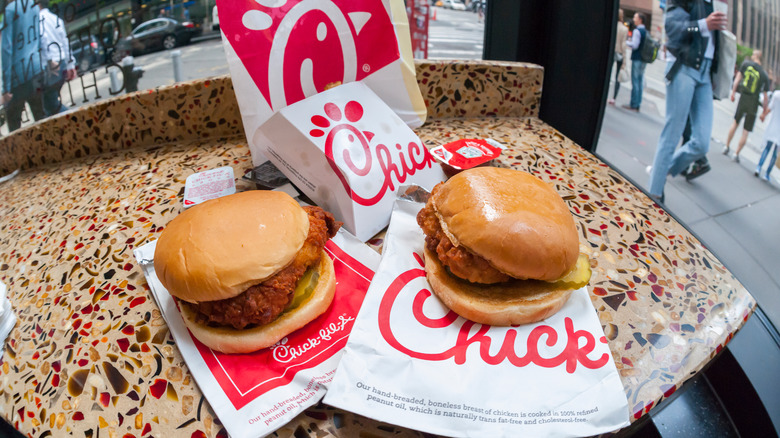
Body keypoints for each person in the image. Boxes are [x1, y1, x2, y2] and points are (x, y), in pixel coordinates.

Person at [647, 0, 727, 203]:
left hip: (705, 73)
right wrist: (703, 24)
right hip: (683, 66)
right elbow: (673, 28)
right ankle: (654, 194)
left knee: (701, 143)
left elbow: (715, 42)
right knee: (672, 133)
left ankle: (661, 170)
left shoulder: (716, 4)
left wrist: (715, 72)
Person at [2, 0, 45, 132]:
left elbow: (7, 49)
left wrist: (6, 87)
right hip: (37, 68)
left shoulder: (10, 10)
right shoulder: (33, 4)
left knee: (14, 126)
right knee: (43, 119)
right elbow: (39, 37)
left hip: (18, 76)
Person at [723, 50, 769, 163]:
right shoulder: (763, 74)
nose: (752, 56)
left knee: (735, 123)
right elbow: (765, 96)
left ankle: (726, 146)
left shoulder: (746, 64)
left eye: (753, 54)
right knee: (746, 131)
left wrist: (733, 92)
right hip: (753, 103)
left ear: (756, 56)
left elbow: (737, 79)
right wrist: (764, 112)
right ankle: (736, 153)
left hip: (743, 98)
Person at [39, 0, 77, 117]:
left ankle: (74, 118)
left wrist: (51, 61)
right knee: (50, 106)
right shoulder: (55, 19)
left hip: (51, 66)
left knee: (50, 105)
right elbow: (65, 42)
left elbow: (43, 40)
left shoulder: (37, 20)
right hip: (62, 63)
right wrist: (71, 65)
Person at [623, 12, 648, 112]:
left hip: (637, 57)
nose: (633, 19)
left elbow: (635, 45)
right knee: (640, 81)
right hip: (643, 59)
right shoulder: (645, 31)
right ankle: (637, 104)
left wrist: (626, 42)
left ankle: (633, 104)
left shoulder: (637, 31)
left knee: (635, 81)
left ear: (640, 20)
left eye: (635, 17)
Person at [755, 90, 779, 181]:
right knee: (775, 154)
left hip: (772, 126)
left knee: (767, 148)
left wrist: (763, 115)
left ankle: (758, 167)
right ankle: (767, 174)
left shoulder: (776, 95)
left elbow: (770, 108)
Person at [609, 9, 629, 106]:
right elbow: (624, 45)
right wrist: (625, 60)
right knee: (618, 76)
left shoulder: (611, 25)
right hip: (620, 53)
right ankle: (613, 98)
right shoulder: (624, 29)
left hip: (611, 52)